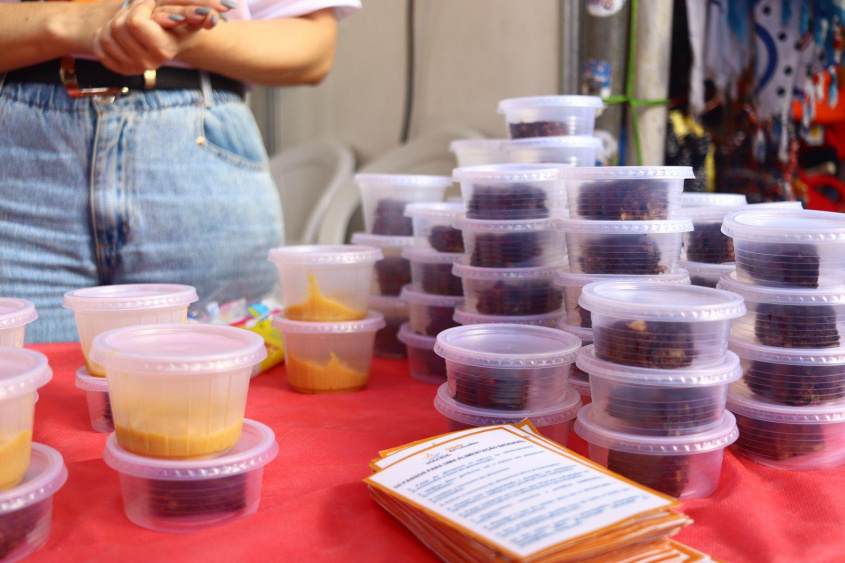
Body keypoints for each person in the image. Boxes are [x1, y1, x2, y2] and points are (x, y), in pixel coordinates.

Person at [0, 0, 360, 343]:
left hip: (199, 152)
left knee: (219, 393)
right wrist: (85, 19)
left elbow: (313, 50)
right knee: (22, 391)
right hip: (19, 156)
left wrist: (171, 34)